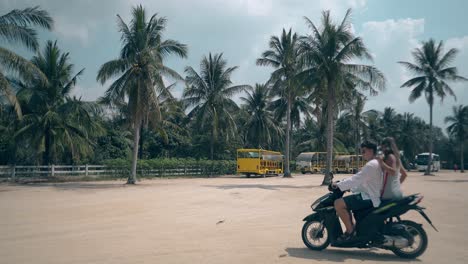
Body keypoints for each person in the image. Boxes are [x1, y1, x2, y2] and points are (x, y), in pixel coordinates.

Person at [331, 140, 383, 242]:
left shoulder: (371, 165)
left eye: (364, 151)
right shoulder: (376, 163)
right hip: (372, 194)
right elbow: (363, 181)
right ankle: (353, 227)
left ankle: (350, 232)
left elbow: (356, 179)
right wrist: (351, 187)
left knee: (338, 204)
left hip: (370, 197)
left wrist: (338, 185)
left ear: (371, 151)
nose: (362, 154)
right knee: (347, 203)